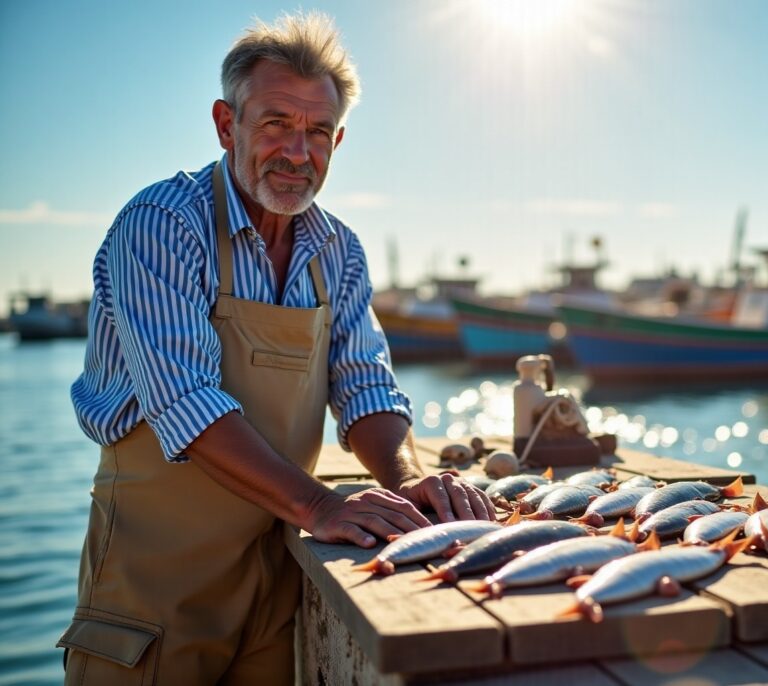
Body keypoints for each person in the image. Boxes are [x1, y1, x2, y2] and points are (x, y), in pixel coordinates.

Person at [59, 12, 495, 684]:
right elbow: (186, 401)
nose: (298, 151)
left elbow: (367, 387)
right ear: (226, 124)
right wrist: (321, 505)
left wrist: (409, 482)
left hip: (277, 571)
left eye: (317, 131)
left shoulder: (338, 250)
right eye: (275, 123)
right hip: (153, 589)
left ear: (338, 140)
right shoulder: (160, 225)